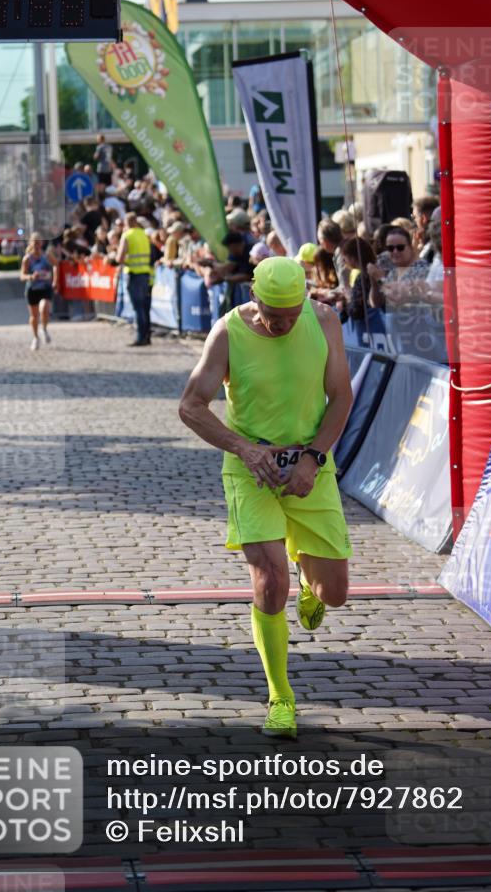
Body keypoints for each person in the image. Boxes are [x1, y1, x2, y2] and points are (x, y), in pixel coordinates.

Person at [179, 257, 353, 738]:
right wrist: (244, 448)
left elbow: (340, 396)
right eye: (275, 315)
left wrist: (313, 457)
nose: (283, 324)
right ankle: (280, 697)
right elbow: (191, 405)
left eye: (292, 313)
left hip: (310, 464)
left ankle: (305, 568)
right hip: (250, 468)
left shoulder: (323, 320)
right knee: (269, 579)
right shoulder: (227, 332)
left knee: (333, 594)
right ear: (254, 298)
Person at [367, 224, 429, 310]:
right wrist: (373, 282)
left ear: (410, 247)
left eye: (400, 247)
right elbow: (376, 303)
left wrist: (380, 279)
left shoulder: (421, 267)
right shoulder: (394, 269)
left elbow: (398, 297)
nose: (395, 251)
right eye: (390, 248)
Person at [117, 211, 153, 347]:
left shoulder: (127, 235)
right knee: (145, 307)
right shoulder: (144, 234)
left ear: (126, 223)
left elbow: (119, 258)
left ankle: (140, 337)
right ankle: (147, 336)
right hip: (146, 274)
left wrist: (122, 259)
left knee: (138, 308)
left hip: (133, 274)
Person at [20, 232, 57, 351]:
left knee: (45, 308)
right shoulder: (27, 259)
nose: (37, 245)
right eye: (34, 242)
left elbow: (56, 265)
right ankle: (35, 337)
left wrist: (55, 280)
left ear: (42, 243)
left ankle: (44, 329)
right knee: (34, 316)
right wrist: (31, 277)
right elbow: (22, 276)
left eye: (39, 242)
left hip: (45, 287)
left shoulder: (46, 256)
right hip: (32, 289)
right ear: (30, 243)